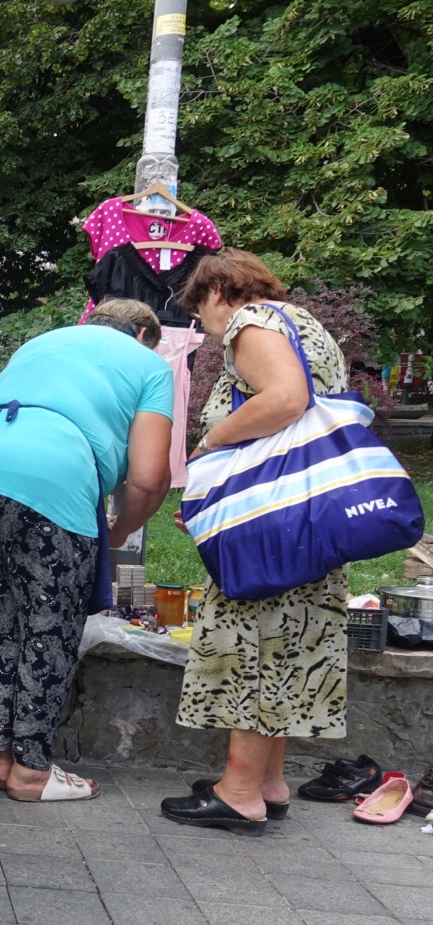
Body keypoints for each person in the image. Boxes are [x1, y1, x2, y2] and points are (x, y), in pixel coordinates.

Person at [163, 249, 349, 835]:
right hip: (306, 513)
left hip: (273, 525)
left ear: (218, 292)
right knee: (292, 641)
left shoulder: (253, 322)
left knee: (256, 641)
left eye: (201, 315)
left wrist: (210, 449)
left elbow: (285, 400)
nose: (208, 331)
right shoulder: (305, 324)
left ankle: (239, 792)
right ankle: (268, 782)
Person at [0, 298, 174, 802]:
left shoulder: (38, 344)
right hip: (56, 482)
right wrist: (121, 530)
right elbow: (149, 479)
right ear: (146, 335)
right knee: (50, 628)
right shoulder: (150, 364)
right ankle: (30, 773)